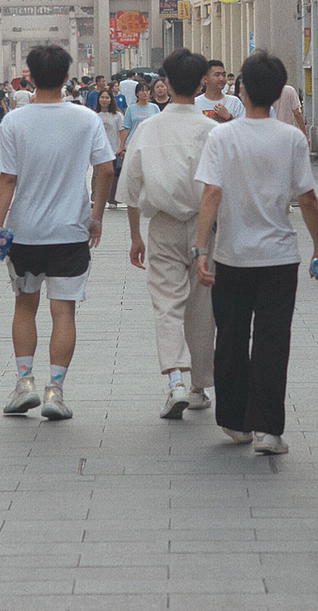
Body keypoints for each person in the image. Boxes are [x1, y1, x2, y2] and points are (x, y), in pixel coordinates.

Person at [194, 51, 318, 456]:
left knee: (231, 337)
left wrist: (201, 249)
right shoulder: (291, 138)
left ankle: (235, 421)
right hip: (279, 257)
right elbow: (307, 198)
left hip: (231, 255)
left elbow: (211, 193)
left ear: (243, 90)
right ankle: (268, 430)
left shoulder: (222, 136)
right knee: (273, 342)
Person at [0, 45, 114, 421]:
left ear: (29, 75)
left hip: (25, 232)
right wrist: (96, 216)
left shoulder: (15, 121)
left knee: (25, 305)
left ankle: (24, 383)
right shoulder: (86, 118)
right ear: (66, 76)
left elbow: (8, 179)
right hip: (70, 232)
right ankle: (55, 391)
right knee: (64, 311)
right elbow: (106, 169)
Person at [122, 48, 219, 420]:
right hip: (204, 225)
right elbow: (219, 188)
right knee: (201, 307)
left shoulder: (149, 129)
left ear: (166, 82)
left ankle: (176, 380)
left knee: (166, 303)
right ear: (200, 84)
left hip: (162, 224)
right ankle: (198, 386)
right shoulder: (212, 130)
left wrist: (135, 236)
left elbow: (131, 187)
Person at [94, 88, 125, 208]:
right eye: (102, 97)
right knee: (97, 175)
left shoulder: (117, 115)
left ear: (111, 100)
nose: (104, 100)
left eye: (107, 97)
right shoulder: (95, 115)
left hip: (113, 150)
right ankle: (95, 199)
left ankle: (112, 200)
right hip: (99, 150)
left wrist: (121, 147)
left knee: (113, 175)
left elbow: (122, 132)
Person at [119, 82, 160, 152]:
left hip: (150, 142)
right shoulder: (131, 108)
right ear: (137, 93)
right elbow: (126, 128)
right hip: (133, 142)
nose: (145, 93)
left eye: (147, 91)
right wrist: (122, 145)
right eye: (142, 91)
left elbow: (158, 126)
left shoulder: (154, 107)